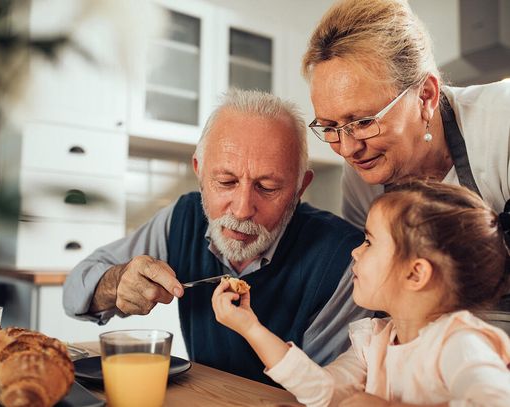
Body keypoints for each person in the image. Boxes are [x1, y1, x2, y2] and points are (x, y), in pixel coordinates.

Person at [63, 88, 367, 385]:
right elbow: (74, 292)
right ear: (199, 171)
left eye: (268, 187)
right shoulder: (181, 219)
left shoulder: (345, 260)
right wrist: (116, 283)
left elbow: (324, 393)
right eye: (226, 181)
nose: (242, 209)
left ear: (300, 188)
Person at [213, 180, 510, 406]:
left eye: (369, 242)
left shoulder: (459, 343)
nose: (355, 252)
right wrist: (250, 327)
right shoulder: (374, 340)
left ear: (415, 273)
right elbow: (324, 391)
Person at [302, 0, 510, 231]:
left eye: (364, 122)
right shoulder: (361, 181)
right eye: (330, 127)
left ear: (425, 96)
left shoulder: (503, 122)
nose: (348, 150)